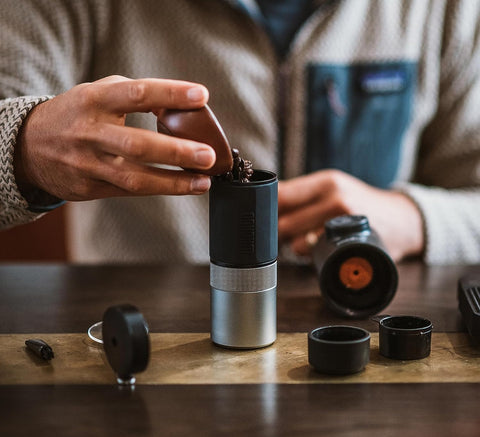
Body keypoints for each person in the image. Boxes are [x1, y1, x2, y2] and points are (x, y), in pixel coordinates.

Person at [1, 0, 479, 265]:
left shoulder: (444, 10)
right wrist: (23, 146)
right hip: (143, 341)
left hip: (359, 330)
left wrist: (416, 218)